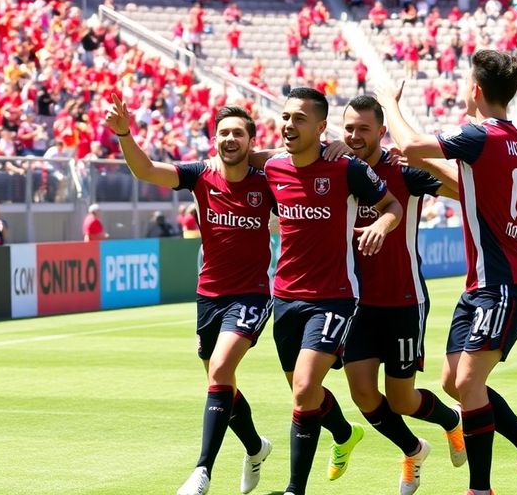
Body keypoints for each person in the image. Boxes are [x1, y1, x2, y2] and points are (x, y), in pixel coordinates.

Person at [376, 49, 517, 495]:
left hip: (502, 284)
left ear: (475, 89)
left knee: (470, 382)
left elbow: (407, 144)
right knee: (453, 382)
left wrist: (390, 105)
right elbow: (463, 180)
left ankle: (480, 489)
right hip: (487, 285)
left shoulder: (481, 137)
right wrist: (420, 160)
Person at [105, 95, 276, 495]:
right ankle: (255, 447)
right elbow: (145, 170)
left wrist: (263, 157)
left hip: (251, 294)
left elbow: (295, 158)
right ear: (213, 139)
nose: (230, 139)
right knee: (222, 382)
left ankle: (202, 471)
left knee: (220, 371)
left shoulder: (266, 180)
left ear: (251, 141)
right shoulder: (200, 175)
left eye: (238, 133)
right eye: (223, 133)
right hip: (209, 295)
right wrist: (124, 134)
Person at [266, 87, 402, 495]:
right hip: (284, 296)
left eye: (299, 119)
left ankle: (294, 489)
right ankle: (344, 433)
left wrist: (381, 224)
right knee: (304, 391)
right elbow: (239, 162)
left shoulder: (345, 168)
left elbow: (393, 205)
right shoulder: (272, 167)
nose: (289, 125)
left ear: (321, 127)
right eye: (286, 117)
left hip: (334, 296)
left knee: (305, 390)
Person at [335, 95, 466, 494]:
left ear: (380, 132)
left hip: (404, 300)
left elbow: (464, 191)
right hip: (356, 302)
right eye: (349, 128)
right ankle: (413, 449)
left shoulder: (402, 170)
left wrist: (421, 160)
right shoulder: (335, 167)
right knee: (361, 393)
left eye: (363, 129)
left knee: (402, 399)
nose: (355, 136)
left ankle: (451, 422)